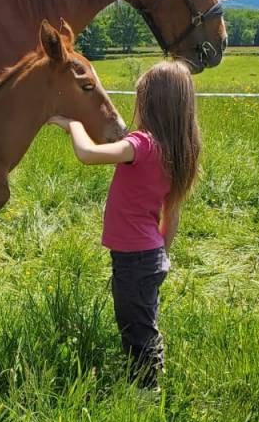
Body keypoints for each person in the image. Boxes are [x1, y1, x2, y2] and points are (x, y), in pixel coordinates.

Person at [49, 60, 200, 389]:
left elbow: (88, 154)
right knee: (142, 321)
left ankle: (146, 392)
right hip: (148, 254)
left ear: (151, 104)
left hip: (136, 258)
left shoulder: (143, 145)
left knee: (137, 329)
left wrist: (72, 123)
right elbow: (171, 214)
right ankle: (145, 379)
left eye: (140, 98)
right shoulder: (176, 149)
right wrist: (163, 253)